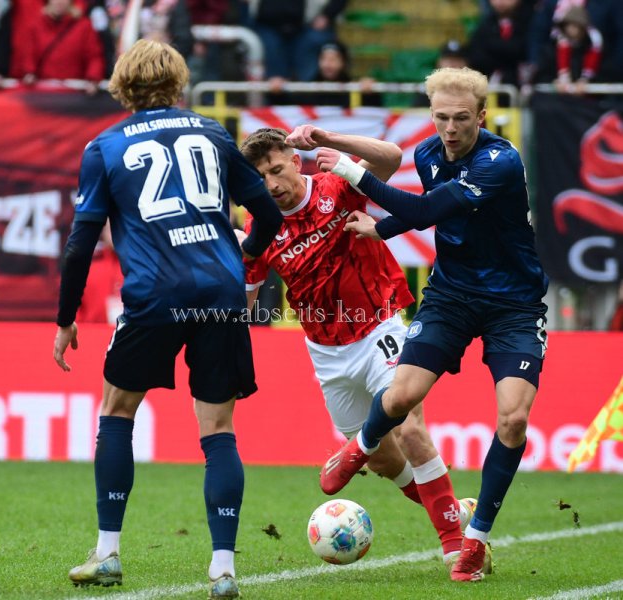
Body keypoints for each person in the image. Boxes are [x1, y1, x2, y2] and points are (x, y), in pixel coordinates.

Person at [52, 39, 282, 598]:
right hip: (221, 293)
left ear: (122, 87)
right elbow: (268, 212)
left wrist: (65, 318)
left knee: (117, 411)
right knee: (219, 429)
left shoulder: (104, 147)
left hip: (155, 294)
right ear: (178, 83)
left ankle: (108, 553)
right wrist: (246, 260)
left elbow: (81, 243)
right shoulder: (213, 133)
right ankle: (223, 569)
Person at [318, 67, 549, 582]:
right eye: (441, 117)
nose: (450, 128)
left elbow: (429, 210)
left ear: (482, 116)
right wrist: (381, 228)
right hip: (451, 296)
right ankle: (359, 448)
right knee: (400, 398)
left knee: (513, 420)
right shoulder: (426, 153)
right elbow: (430, 212)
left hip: (514, 305)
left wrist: (353, 173)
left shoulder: (500, 161)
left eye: (461, 118)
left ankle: (475, 538)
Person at [238, 126, 492, 573]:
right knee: (383, 459)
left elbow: (391, 156)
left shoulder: (335, 186)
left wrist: (329, 140)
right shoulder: (259, 228)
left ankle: (458, 549)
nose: (271, 184)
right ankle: (456, 511)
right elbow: (246, 302)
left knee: (409, 427)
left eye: (276, 170)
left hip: (380, 324)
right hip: (326, 351)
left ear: (295, 162)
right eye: (260, 178)